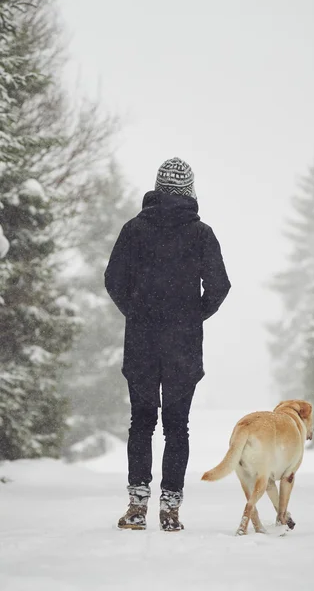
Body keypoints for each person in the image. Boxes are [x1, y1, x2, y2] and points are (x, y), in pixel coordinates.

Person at [104, 157, 231, 532]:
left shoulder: (134, 230)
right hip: (183, 345)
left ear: (158, 189)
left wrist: (136, 312)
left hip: (142, 341)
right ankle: (170, 509)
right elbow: (220, 286)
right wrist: (192, 316)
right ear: (189, 191)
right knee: (177, 426)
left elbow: (113, 279)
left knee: (141, 422)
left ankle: (136, 506)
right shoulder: (201, 233)